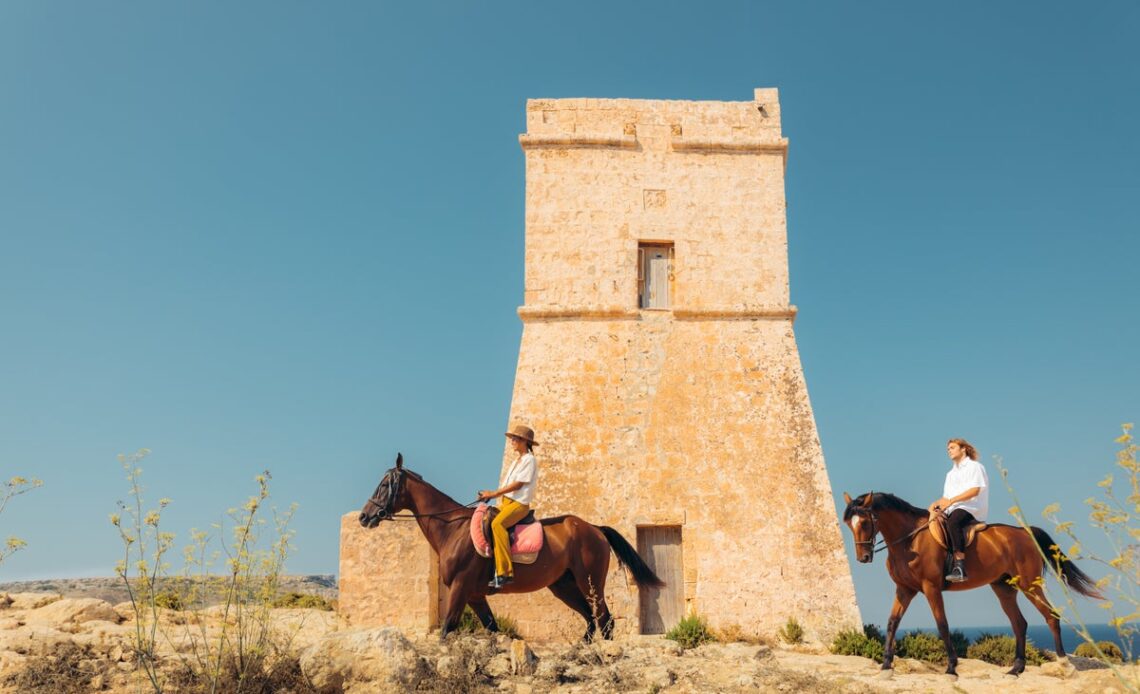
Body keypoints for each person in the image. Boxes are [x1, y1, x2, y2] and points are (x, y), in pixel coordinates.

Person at [478, 424, 539, 589]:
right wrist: (488, 496)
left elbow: (518, 485)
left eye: (514, 438)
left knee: (497, 524)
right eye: (512, 438)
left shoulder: (529, 460)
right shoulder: (515, 462)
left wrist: (493, 494)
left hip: (519, 504)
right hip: (506, 503)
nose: (511, 441)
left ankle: (505, 572)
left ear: (524, 441)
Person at [928, 438, 989, 583]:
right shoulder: (950, 474)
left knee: (953, 522)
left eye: (952, 447)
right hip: (954, 507)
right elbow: (945, 498)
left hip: (972, 507)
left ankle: (960, 567)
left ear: (963, 449)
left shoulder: (975, 466)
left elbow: (975, 490)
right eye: (948, 449)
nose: (949, 450)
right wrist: (934, 505)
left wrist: (952, 501)